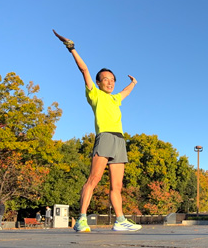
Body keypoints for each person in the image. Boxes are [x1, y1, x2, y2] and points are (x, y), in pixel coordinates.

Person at [53, 30, 142, 233]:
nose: (109, 82)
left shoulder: (115, 98)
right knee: (93, 179)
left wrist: (133, 83)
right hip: (105, 138)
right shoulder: (94, 95)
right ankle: (81, 219)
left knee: (117, 186)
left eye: (112, 79)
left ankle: (120, 220)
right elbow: (84, 70)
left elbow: (125, 92)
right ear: (99, 82)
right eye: (105, 79)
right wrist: (72, 49)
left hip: (120, 140)